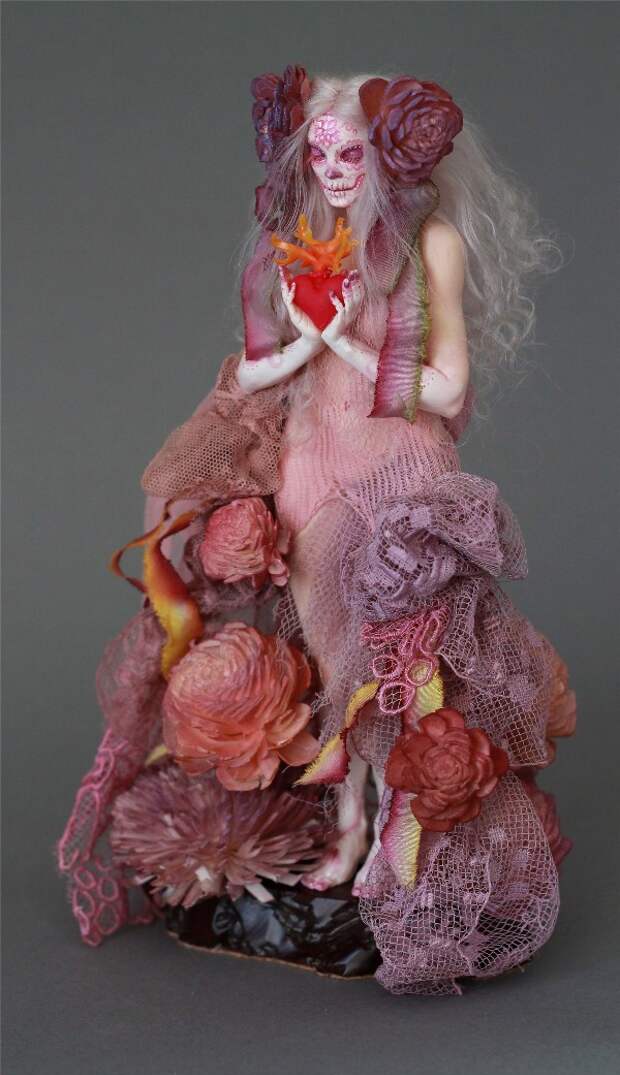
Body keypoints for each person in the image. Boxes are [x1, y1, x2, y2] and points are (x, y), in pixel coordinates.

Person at [59, 69, 576, 996]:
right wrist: (304, 338)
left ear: (391, 157)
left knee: (398, 671)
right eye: (321, 154)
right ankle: (346, 829)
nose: (336, 170)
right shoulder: (295, 240)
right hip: (309, 460)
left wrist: (340, 340)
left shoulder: (429, 242)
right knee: (332, 662)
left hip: (395, 470)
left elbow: (448, 388)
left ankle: (396, 841)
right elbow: (257, 370)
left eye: (353, 153)